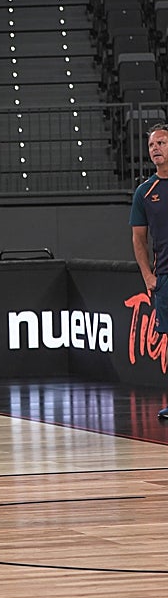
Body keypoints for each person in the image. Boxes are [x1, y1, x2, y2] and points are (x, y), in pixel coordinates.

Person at [132, 123, 168, 420]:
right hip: (165, 276)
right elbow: (139, 239)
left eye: (162, 143)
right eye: (151, 145)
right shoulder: (145, 192)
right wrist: (148, 276)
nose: (155, 148)